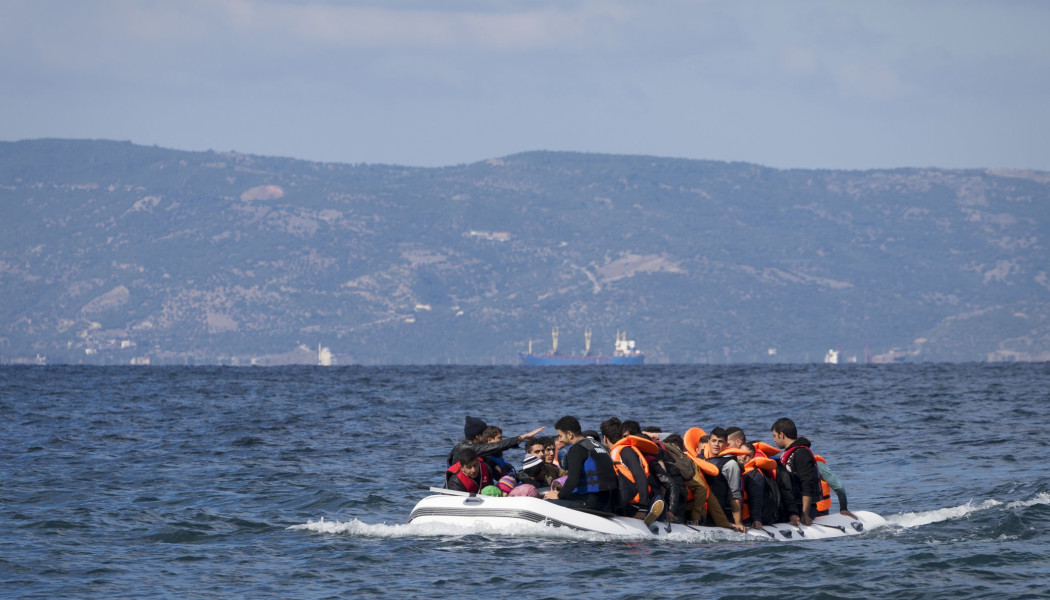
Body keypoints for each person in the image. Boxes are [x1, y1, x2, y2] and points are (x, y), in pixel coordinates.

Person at [544, 416, 618, 513]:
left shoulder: (576, 449)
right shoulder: (597, 445)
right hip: (608, 502)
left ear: (570, 434)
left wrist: (558, 495)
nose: (560, 440)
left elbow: (572, 480)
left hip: (591, 502)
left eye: (560, 436)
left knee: (546, 502)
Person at [601, 417, 664, 525]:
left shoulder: (625, 451)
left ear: (604, 438)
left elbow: (640, 477)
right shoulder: (615, 452)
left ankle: (651, 511)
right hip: (626, 502)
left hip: (637, 504)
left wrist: (642, 508)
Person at [771, 417, 822, 526]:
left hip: (800, 508)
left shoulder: (801, 453)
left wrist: (805, 514)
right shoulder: (789, 452)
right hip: (790, 506)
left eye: (774, 436)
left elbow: (807, 483)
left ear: (782, 435)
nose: (774, 440)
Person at [446, 415, 545, 467]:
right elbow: (498, 446)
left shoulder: (474, 446)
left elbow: (500, 446)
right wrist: (523, 436)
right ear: (477, 436)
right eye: (485, 433)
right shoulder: (467, 448)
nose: (487, 435)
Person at [704, 427, 747, 531]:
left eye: (720, 442)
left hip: (724, 514)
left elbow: (735, 495)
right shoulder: (701, 458)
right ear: (709, 442)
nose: (716, 445)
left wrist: (738, 523)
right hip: (705, 512)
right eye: (714, 441)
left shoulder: (730, 464)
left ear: (726, 444)